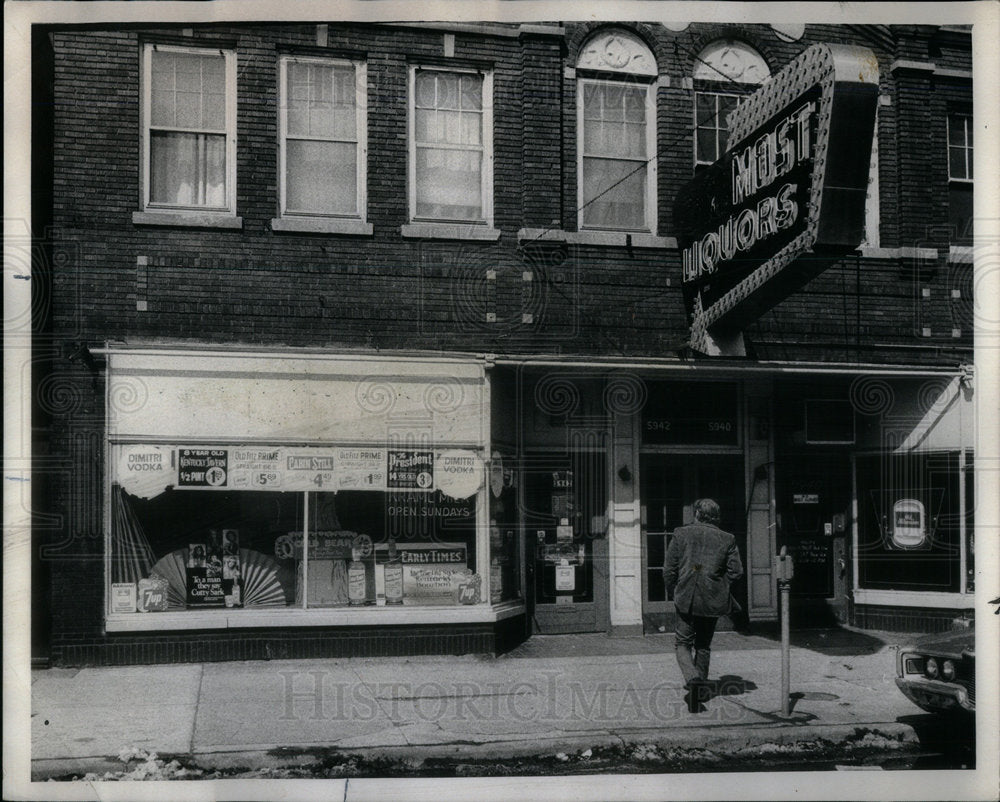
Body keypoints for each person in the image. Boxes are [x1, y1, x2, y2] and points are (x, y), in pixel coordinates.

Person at [664, 498, 744, 704]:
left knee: (682, 643)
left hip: (685, 598)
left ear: (697, 514)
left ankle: (692, 678)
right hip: (712, 599)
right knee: (704, 645)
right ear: (716, 517)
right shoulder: (728, 538)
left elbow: (668, 570)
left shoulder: (681, 533)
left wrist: (675, 590)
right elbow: (736, 572)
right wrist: (717, 584)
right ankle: (699, 690)